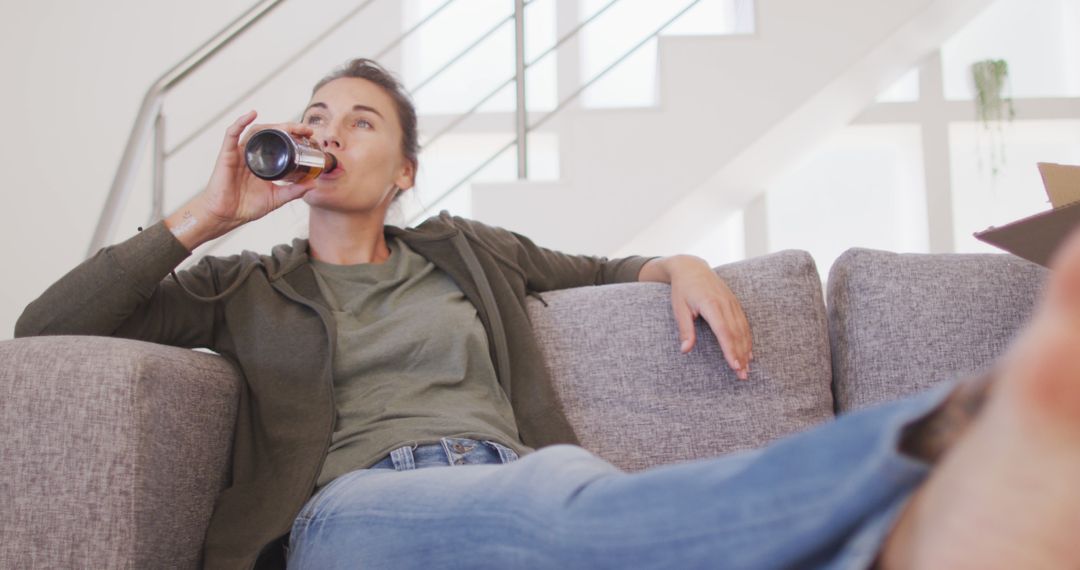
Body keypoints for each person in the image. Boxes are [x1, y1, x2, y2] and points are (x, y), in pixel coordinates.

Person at [15, 57, 1080, 570]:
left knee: (564, 499)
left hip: (510, 473)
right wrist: (206, 214)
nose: (329, 132)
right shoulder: (243, 286)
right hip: (354, 516)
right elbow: (48, 326)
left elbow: (611, 259)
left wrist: (680, 263)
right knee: (562, 514)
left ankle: (918, 539)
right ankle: (933, 445)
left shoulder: (469, 249)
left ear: (403, 171)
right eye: (314, 118)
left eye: (362, 121)